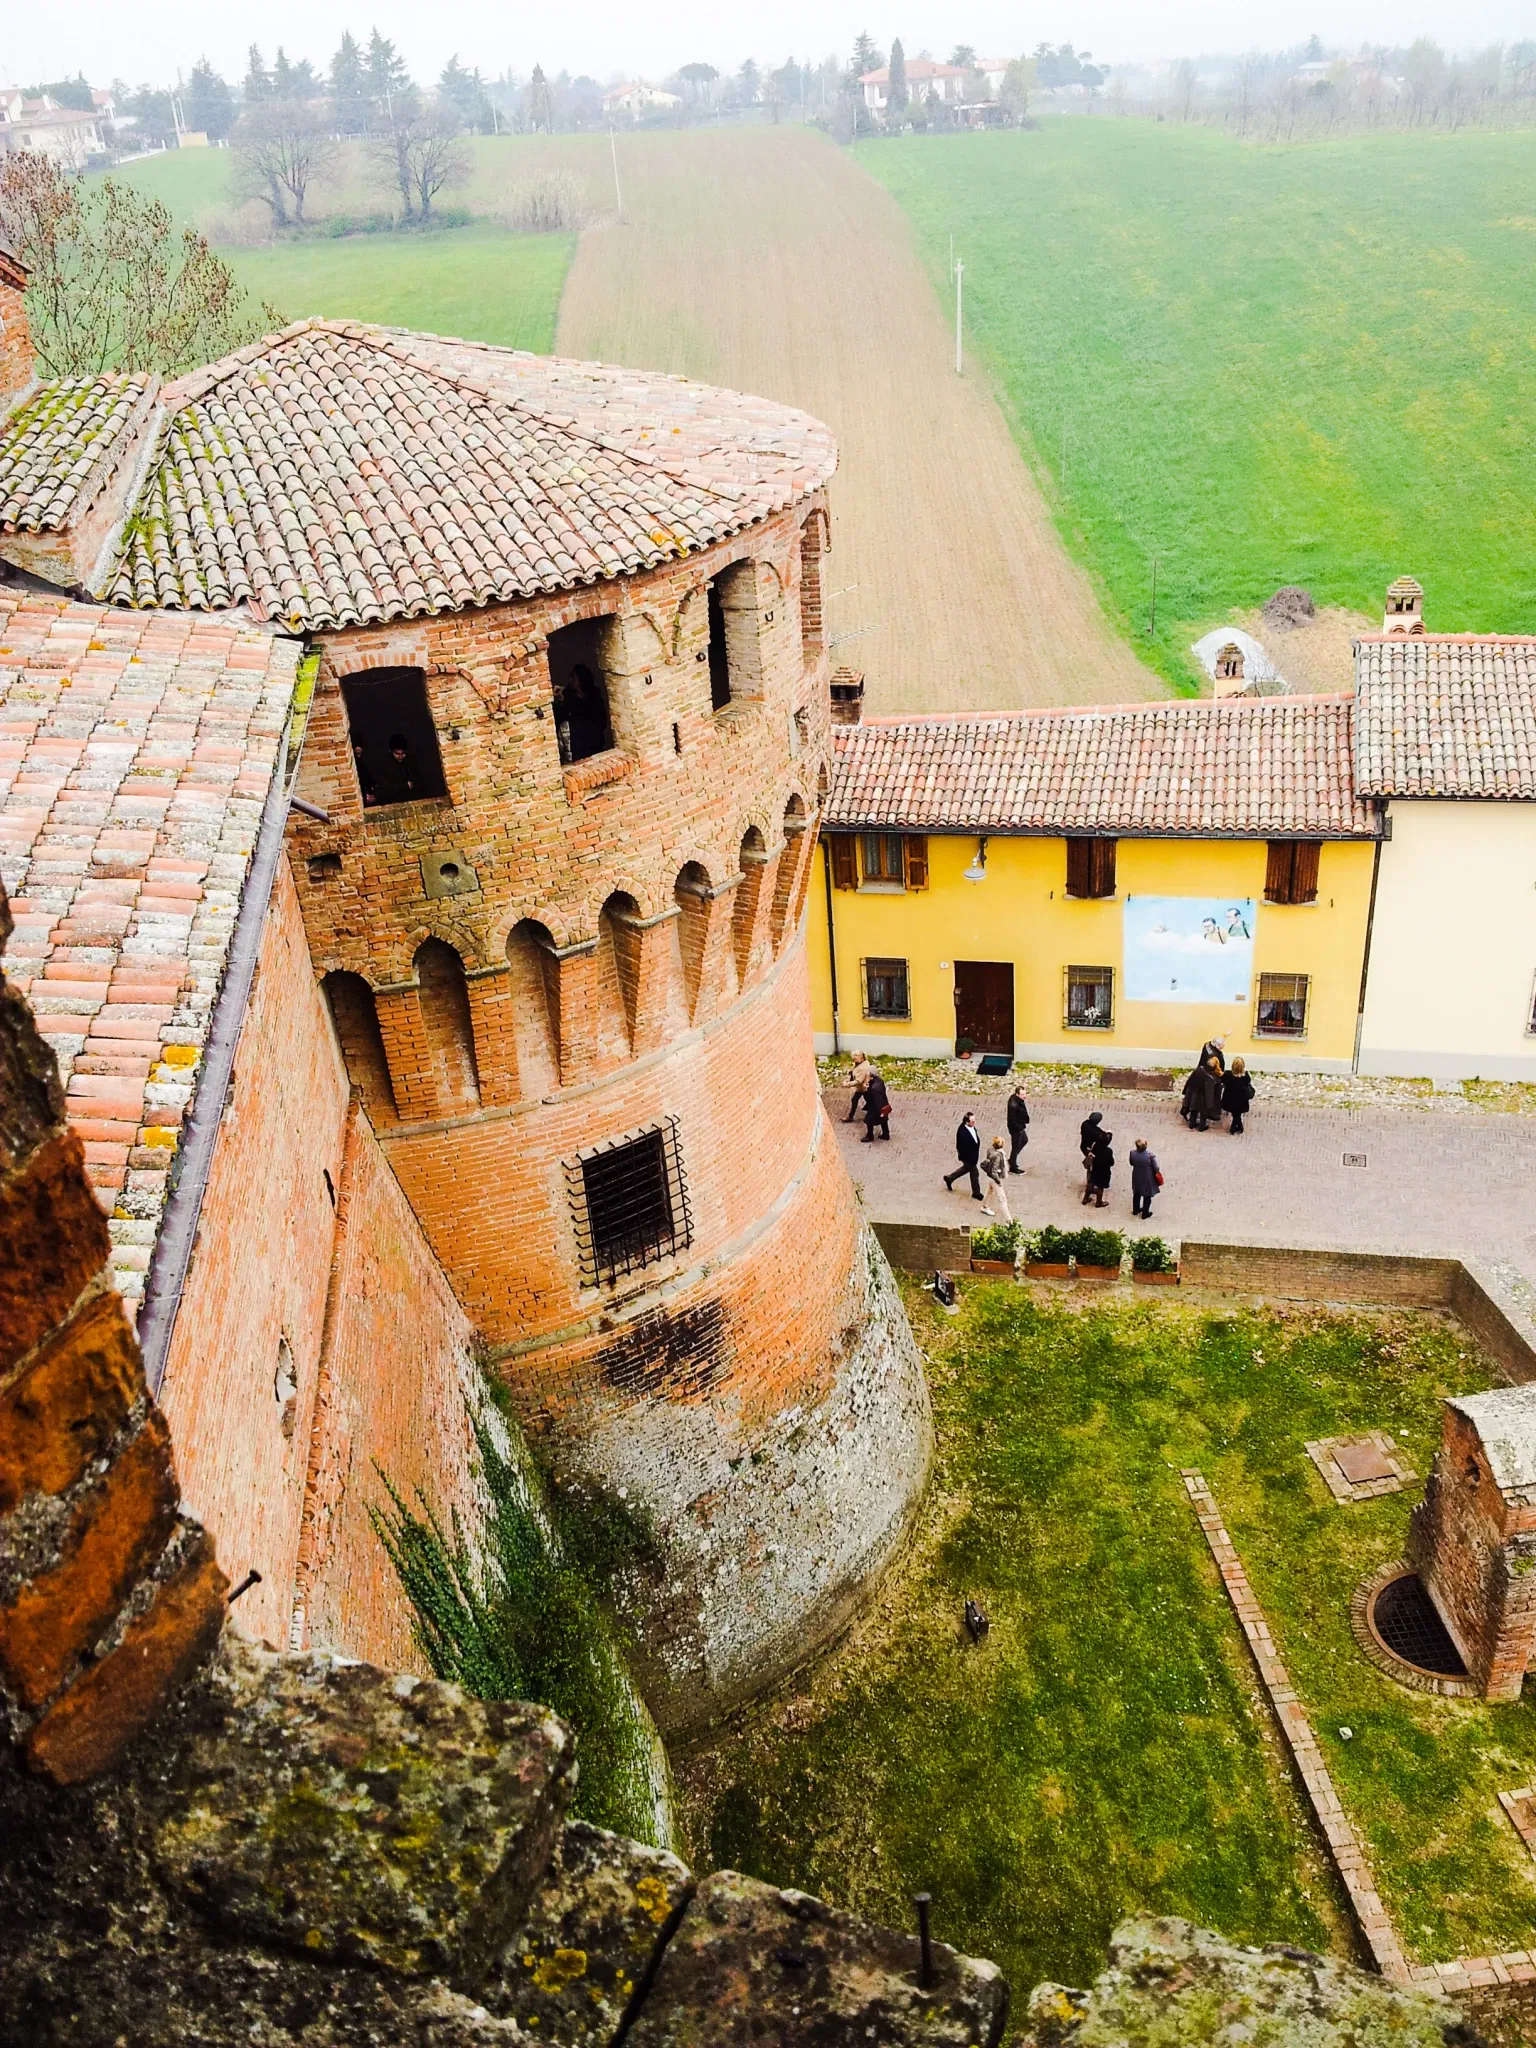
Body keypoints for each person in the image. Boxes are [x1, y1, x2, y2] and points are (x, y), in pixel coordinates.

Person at [944, 1111, 983, 1199]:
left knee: (965, 1169)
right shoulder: (962, 1133)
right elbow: (961, 1147)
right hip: (968, 1157)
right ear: (967, 1122)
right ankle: (976, 1193)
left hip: (973, 1157)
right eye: (972, 1122)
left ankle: (949, 1178)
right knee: (974, 1173)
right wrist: (967, 1158)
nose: (974, 1123)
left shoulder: (972, 1127)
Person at [1181, 1057, 1222, 1132]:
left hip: (1194, 1094)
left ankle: (1192, 1124)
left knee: (1193, 1110)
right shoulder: (1211, 1078)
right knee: (1203, 1113)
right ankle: (1202, 1126)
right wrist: (1210, 1104)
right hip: (1203, 1099)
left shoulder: (1199, 1069)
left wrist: (1185, 1092)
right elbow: (1209, 1092)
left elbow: (1189, 1081)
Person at [979, 1134, 1011, 1218]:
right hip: (994, 1178)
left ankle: (984, 1206)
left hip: (989, 1177)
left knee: (989, 1190)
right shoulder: (998, 1156)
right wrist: (999, 1181)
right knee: (1002, 1199)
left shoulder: (990, 1150)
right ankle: (1009, 1220)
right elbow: (994, 1171)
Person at [1221, 1056, 1255, 1135]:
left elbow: (1223, 1081)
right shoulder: (1246, 1077)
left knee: (1235, 1113)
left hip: (1230, 1099)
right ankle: (1238, 1126)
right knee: (1238, 1113)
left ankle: (1235, 1127)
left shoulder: (1228, 1075)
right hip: (1241, 1100)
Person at [1129, 1138, 1161, 1219]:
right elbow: (1156, 1168)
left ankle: (1136, 1210)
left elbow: (1131, 1163)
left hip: (1136, 1175)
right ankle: (1145, 1213)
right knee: (1147, 1196)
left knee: (1136, 1193)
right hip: (1147, 1177)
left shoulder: (1132, 1153)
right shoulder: (1150, 1156)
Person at [1083, 1125, 1114, 1207]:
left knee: (1091, 1182)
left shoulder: (1095, 1146)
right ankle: (1098, 1202)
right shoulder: (1108, 1151)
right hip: (1103, 1171)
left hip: (1094, 1168)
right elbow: (1111, 1162)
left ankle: (1085, 1198)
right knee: (1100, 1185)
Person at [1006, 1085, 1031, 1173]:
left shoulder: (1018, 1100)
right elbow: (1013, 1120)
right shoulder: (1013, 1105)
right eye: (1022, 1094)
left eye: (1025, 1094)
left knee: (1024, 1140)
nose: (1025, 1096)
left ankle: (1012, 1160)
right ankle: (1013, 1167)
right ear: (1017, 1094)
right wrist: (1019, 1128)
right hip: (1016, 1128)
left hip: (1019, 1126)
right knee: (1015, 1147)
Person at [862, 1070, 891, 1142]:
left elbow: (871, 1097)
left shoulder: (874, 1089)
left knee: (869, 1121)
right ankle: (886, 1134)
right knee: (884, 1121)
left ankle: (870, 1136)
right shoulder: (880, 1081)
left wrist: (866, 1089)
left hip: (875, 1108)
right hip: (884, 1104)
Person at [845, 1050, 872, 1124]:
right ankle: (872, 1111)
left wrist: (847, 1084)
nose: (854, 1061)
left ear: (861, 1058)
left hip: (863, 1088)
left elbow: (858, 1081)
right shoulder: (862, 1063)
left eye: (855, 1059)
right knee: (867, 1101)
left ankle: (851, 1116)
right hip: (863, 1088)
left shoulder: (862, 1068)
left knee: (857, 1100)